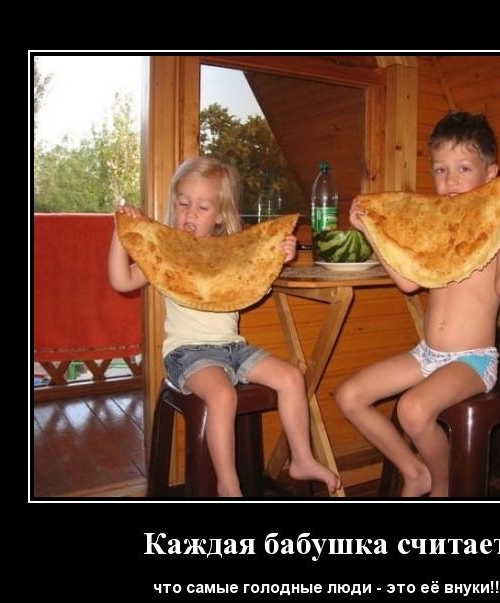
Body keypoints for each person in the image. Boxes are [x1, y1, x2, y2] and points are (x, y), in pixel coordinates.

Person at [336, 111, 500, 497]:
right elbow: (408, 282)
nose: (450, 180)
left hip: (473, 361)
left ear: (491, 175)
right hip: (426, 354)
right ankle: (414, 471)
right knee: (349, 396)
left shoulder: (499, 228)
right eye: (440, 169)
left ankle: (444, 484)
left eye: (463, 168)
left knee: (413, 409)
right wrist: (371, 230)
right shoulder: (436, 230)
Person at [108, 156, 340, 497]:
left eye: (202, 207)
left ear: (219, 214)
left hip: (233, 347)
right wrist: (120, 236)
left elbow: (253, 289)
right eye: (183, 203)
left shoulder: (231, 251)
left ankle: (302, 459)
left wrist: (278, 257)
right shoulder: (166, 252)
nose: (190, 214)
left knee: (292, 378)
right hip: (187, 352)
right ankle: (228, 485)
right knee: (222, 395)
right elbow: (121, 281)